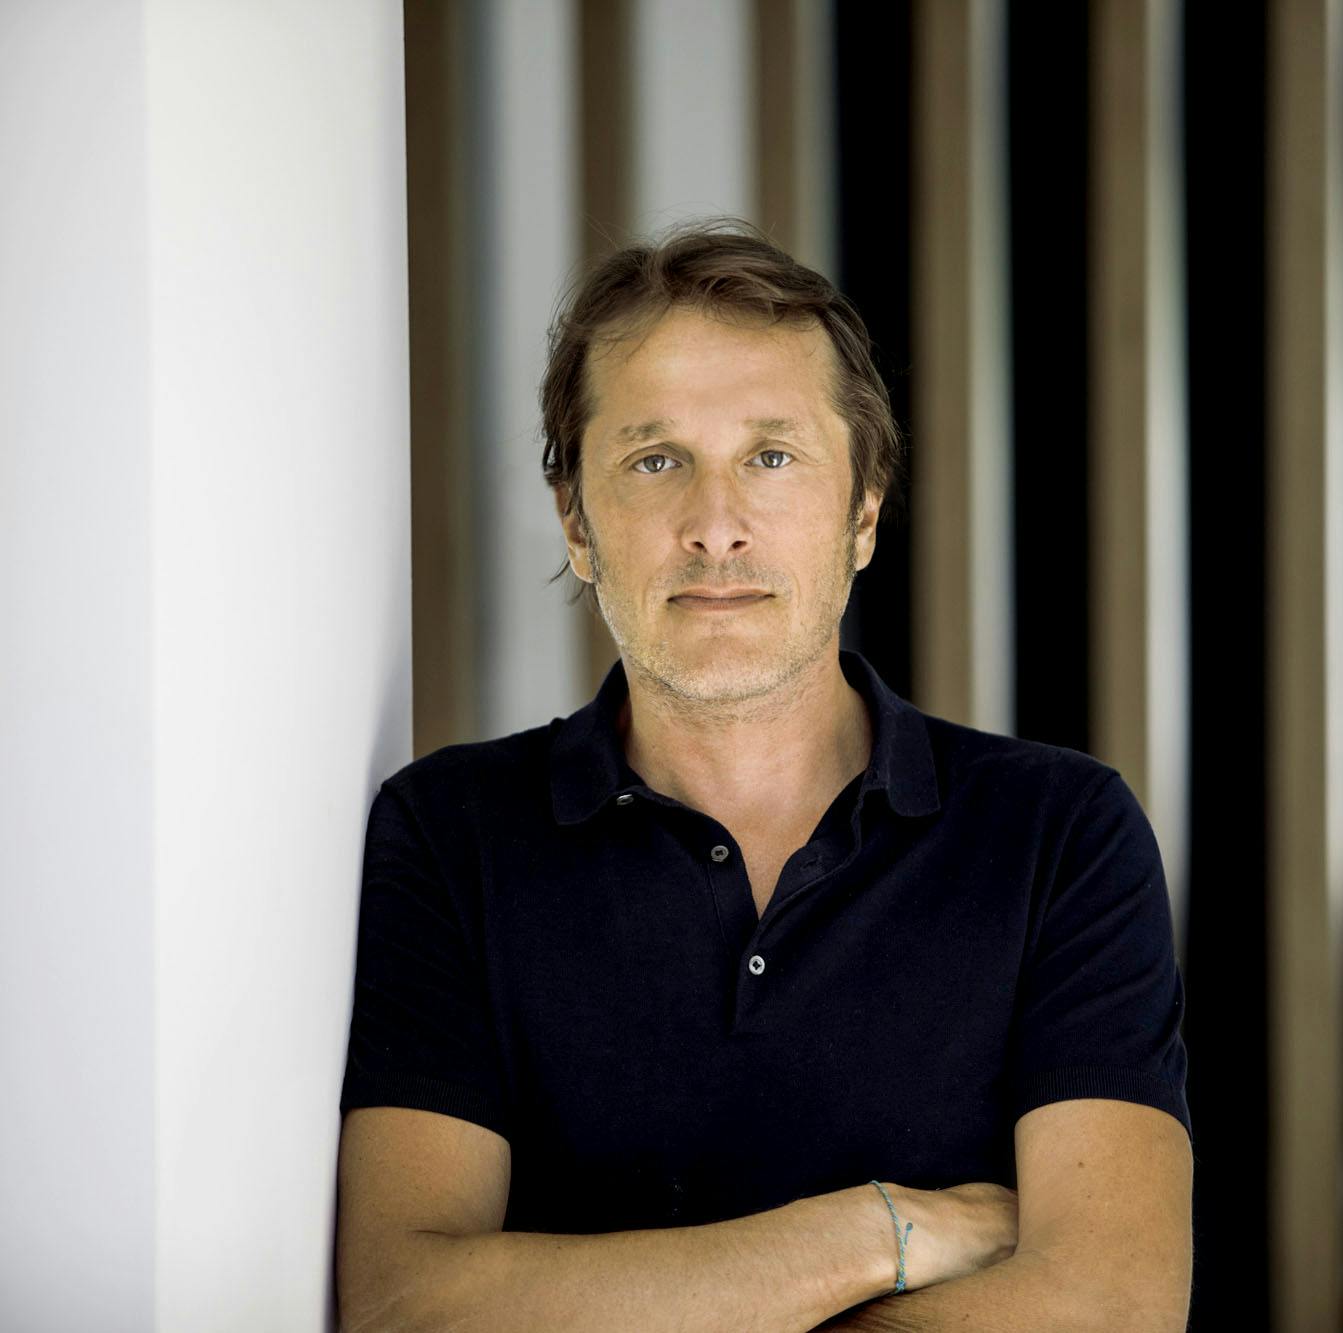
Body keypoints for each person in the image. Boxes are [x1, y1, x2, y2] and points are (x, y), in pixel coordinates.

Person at [334, 219, 1194, 1331]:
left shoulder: (1058, 833)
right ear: (577, 523)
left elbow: (1112, 1304)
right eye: (656, 461)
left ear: (863, 512)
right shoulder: (450, 833)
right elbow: (407, 1304)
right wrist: (878, 1231)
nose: (716, 525)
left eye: (772, 457)